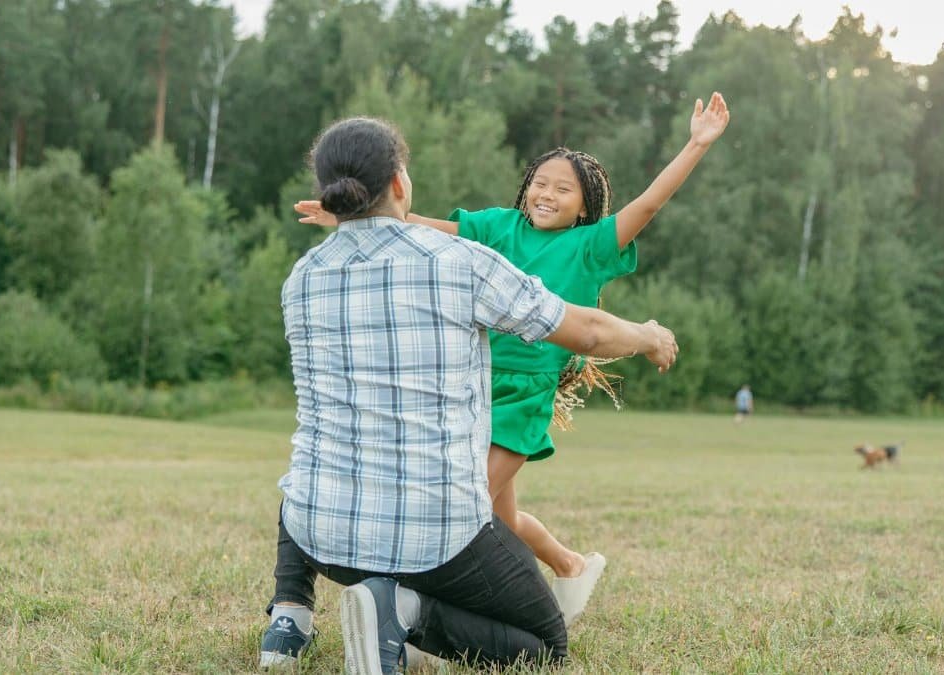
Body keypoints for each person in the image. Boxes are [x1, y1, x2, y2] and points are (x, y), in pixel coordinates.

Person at [260, 117, 679, 675]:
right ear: (401, 184)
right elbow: (592, 333)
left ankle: (290, 617)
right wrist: (650, 335)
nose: (548, 193)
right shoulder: (461, 263)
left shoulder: (301, 278)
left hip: (316, 531)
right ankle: (400, 610)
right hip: (428, 535)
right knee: (543, 641)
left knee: (319, 461)